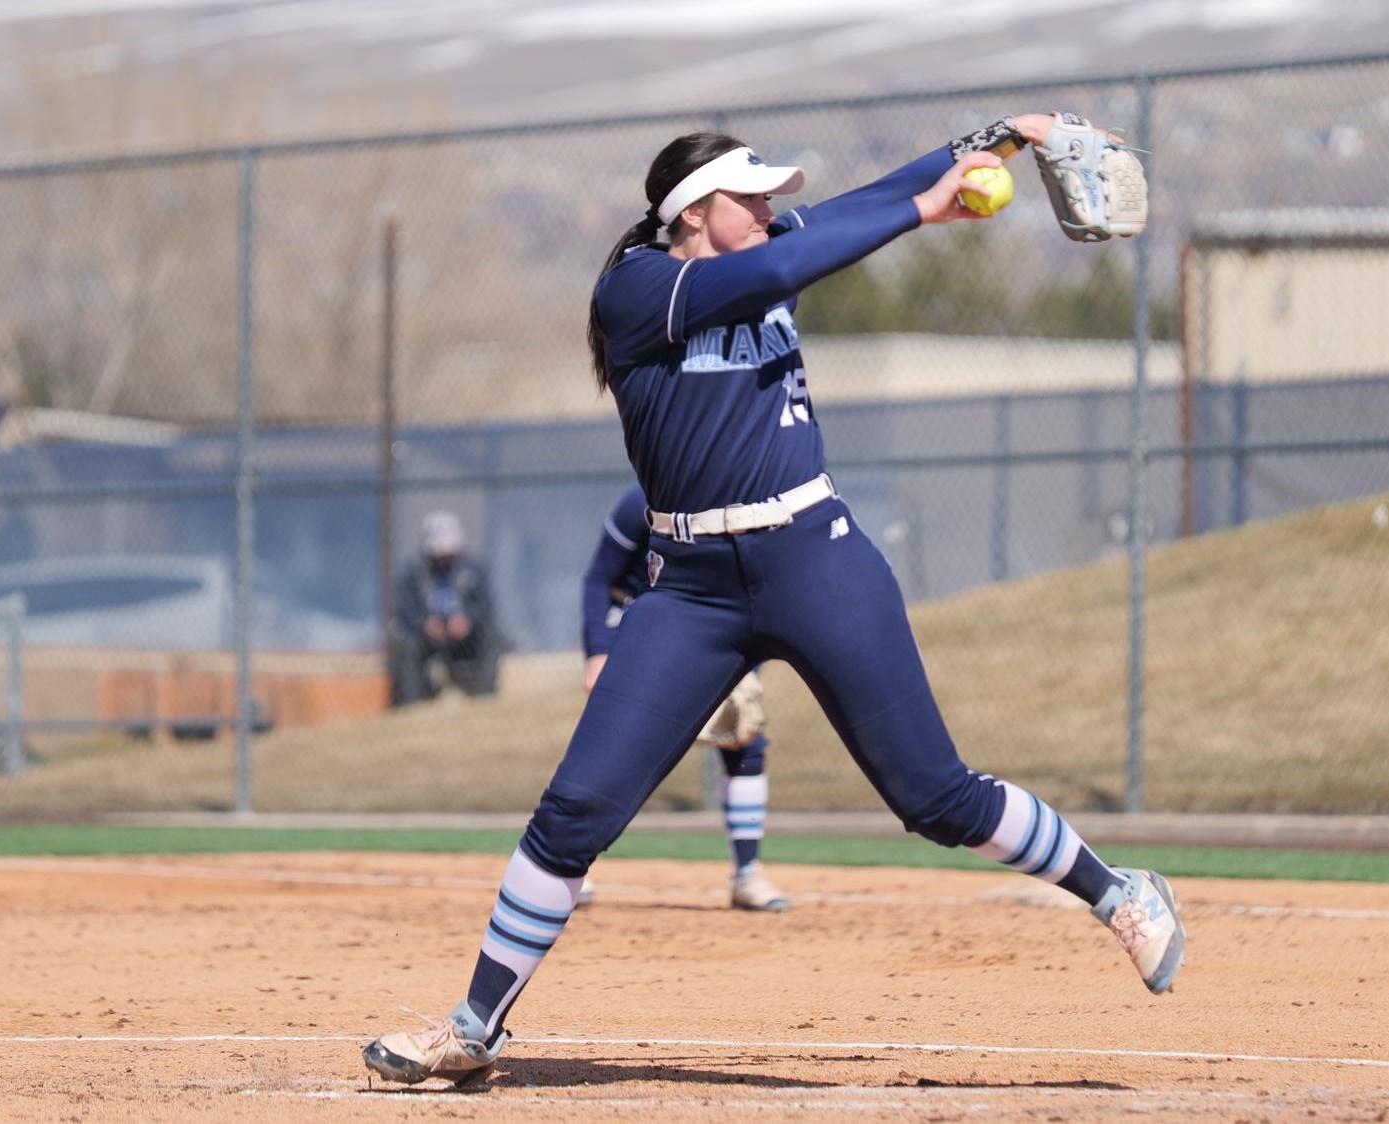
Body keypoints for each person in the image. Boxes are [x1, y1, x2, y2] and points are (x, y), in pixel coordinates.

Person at [363, 113, 1185, 1087]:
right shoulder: (639, 288)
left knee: (933, 795)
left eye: (767, 197)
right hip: (691, 589)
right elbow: (782, 266)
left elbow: (867, 200)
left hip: (814, 556)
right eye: (747, 197)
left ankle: (1119, 892)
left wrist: (1008, 134)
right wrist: (925, 214)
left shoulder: (762, 247)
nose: (767, 209)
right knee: (575, 809)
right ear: (691, 214)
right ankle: (473, 1024)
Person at [576, 484, 791, 913]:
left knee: (744, 741)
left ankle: (747, 874)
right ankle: (568, 865)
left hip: (709, 626)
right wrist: (597, 650)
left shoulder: (748, 506)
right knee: (613, 750)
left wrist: (751, 662)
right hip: (641, 623)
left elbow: (764, 590)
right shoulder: (642, 501)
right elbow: (599, 578)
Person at [387, 510, 500, 705]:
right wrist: (425, 624)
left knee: (491, 638)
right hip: (428, 640)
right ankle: (411, 704)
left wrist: (467, 620)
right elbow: (405, 610)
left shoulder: (474, 570)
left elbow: (486, 606)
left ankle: (485, 699)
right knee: (407, 646)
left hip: (464, 640)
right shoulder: (413, 573)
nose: (445, 559)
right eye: (440, 554)